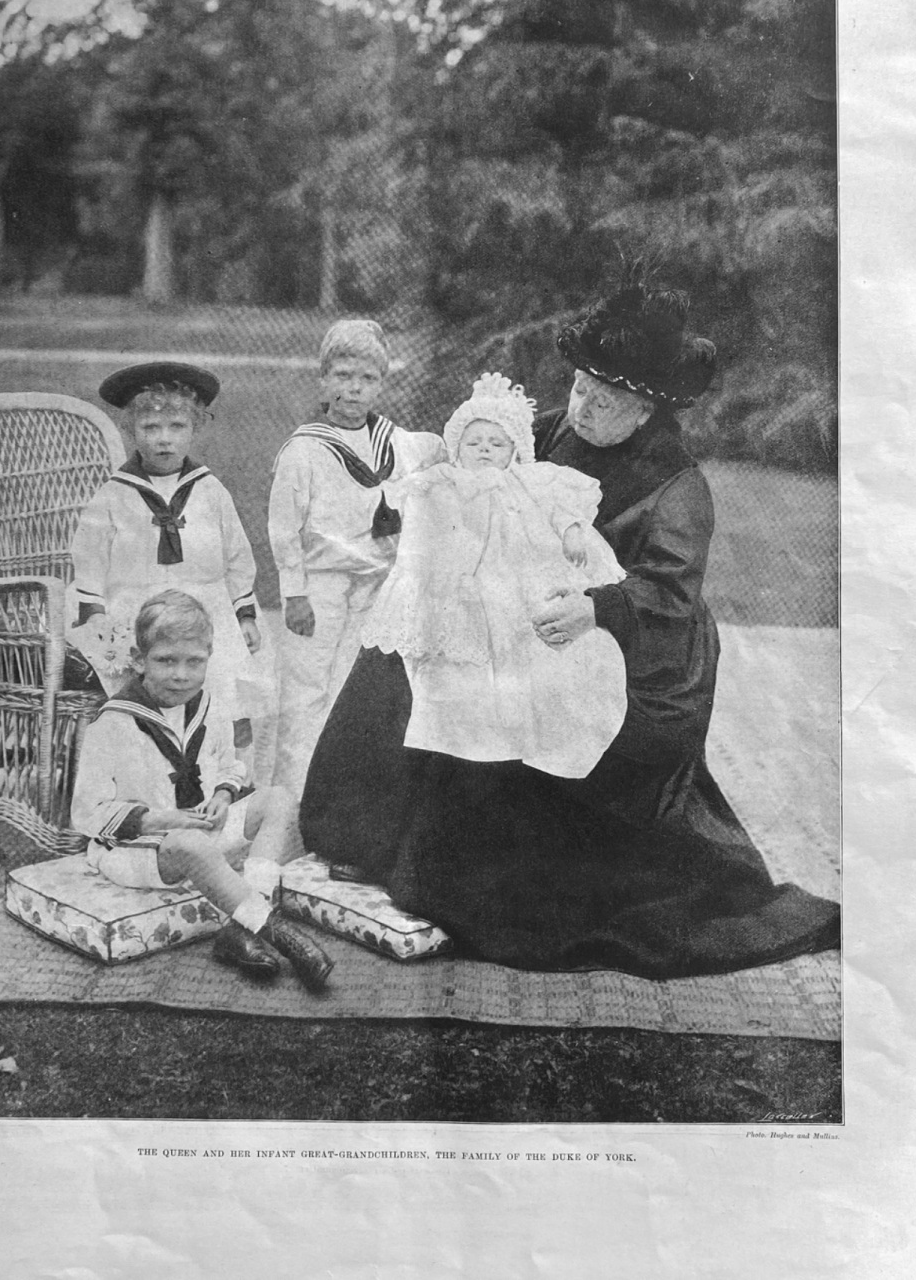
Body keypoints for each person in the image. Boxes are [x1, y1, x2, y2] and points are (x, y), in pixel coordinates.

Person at [300, 283, 840, 978]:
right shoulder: (557, 429)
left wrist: (595, 608)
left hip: (635, 646)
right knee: (409, 651)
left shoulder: (676, 486)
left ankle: (469, 875)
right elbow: (482, 477)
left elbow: (669, 592)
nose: (581, 409)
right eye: (580, 388)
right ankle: (365, 831)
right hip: (523, 607)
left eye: (603, 402)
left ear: (647, 409)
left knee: (515, 696)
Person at [359, 372, 628, 781]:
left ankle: (517, 728)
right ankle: (454, 735)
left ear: (514, 451)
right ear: (457, 448)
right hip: (459, 579)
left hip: (512, 576)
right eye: (474, 442)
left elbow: (561, 501)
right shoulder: (444, 478)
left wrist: (572, 530)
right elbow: (403, 497)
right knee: (450, 661)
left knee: (520, 652)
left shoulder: (527, 480)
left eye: (496, 443)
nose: (484, 450)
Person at [71, 590, 332, 990]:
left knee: (278, 798)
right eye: (165, 661)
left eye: (194, 662)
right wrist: (159, 818)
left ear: (209, 658)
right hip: (140, 849)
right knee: (191, 845)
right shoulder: (113, 724)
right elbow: (87, 813)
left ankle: (240, 929)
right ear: (140, 660)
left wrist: (224, 797)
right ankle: (280, 934)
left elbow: (230, 765)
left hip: (201, 830)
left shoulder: (209, 704)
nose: (181, 675)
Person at [267, 319, 444, 797]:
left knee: (351, 688)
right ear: (324, 380)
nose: (354, 389)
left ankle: (334, 793)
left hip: (375, 585)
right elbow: (284, 528)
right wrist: (294, 592)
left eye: (367, 379)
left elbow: (441, 449)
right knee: (308, 687)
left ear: (382, 384)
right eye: (343, 376)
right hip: (320, 584)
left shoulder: (394, 441)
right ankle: (292, 795)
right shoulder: (305, 449)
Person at [68, 362, 263, 751]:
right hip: (137, 613)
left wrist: (244, 614)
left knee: (225, 704)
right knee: (142, 709)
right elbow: (89, 561)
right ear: (132, 430)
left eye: (177, 428)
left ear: (194, 429)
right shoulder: (114, 494)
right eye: (150, 428)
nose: (164, 440)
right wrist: (98, 618)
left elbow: (237, 557)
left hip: (206, 612)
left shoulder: (210, 491)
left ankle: (227, 788)